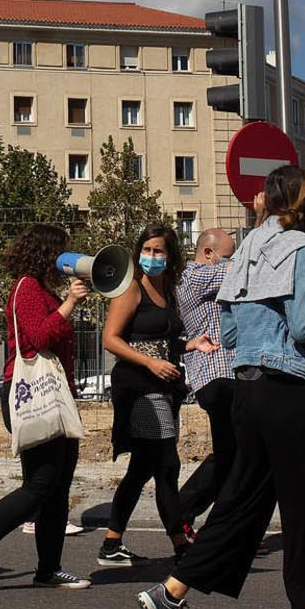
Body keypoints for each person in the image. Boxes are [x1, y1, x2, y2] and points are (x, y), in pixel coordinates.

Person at [135, 166, 305, 609]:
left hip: (248, 389)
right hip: (290, 390)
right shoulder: (304, 250)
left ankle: (171, 592)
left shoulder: (243, 251)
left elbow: (230, 328)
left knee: (242, 504)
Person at [0, 224, 94, 592]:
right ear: (47, 253)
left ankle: (48, 568)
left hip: (55, 395)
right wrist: (71, 303)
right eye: (62, 252)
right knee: (40, 484)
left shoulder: (42, 289)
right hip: (30, 394)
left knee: (57, 487)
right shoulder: (27, 287)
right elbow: (40, 336)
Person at [95, 223, 190, 566]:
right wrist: (150, 362)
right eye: (147, 250)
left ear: (171, 255)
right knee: (167, 463)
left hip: (164, 388)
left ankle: (112, 542)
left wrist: (190, 344)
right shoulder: (131, 290)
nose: (152, 257)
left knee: (144, 467)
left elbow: (165, 336)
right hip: (140, 387)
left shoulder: (168, 291)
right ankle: (180, 544)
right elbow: (112, 339)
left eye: (159, 251)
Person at [174, 228, 236, 528]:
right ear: (208, 253)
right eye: (228, 255)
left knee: (235, 453)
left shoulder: (207, 274)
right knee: (230, 454)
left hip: (224, 374)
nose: (231, 261)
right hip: (216, 373)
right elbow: (244, 270)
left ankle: (218, 524)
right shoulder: (197, 275)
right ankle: (182, 513)